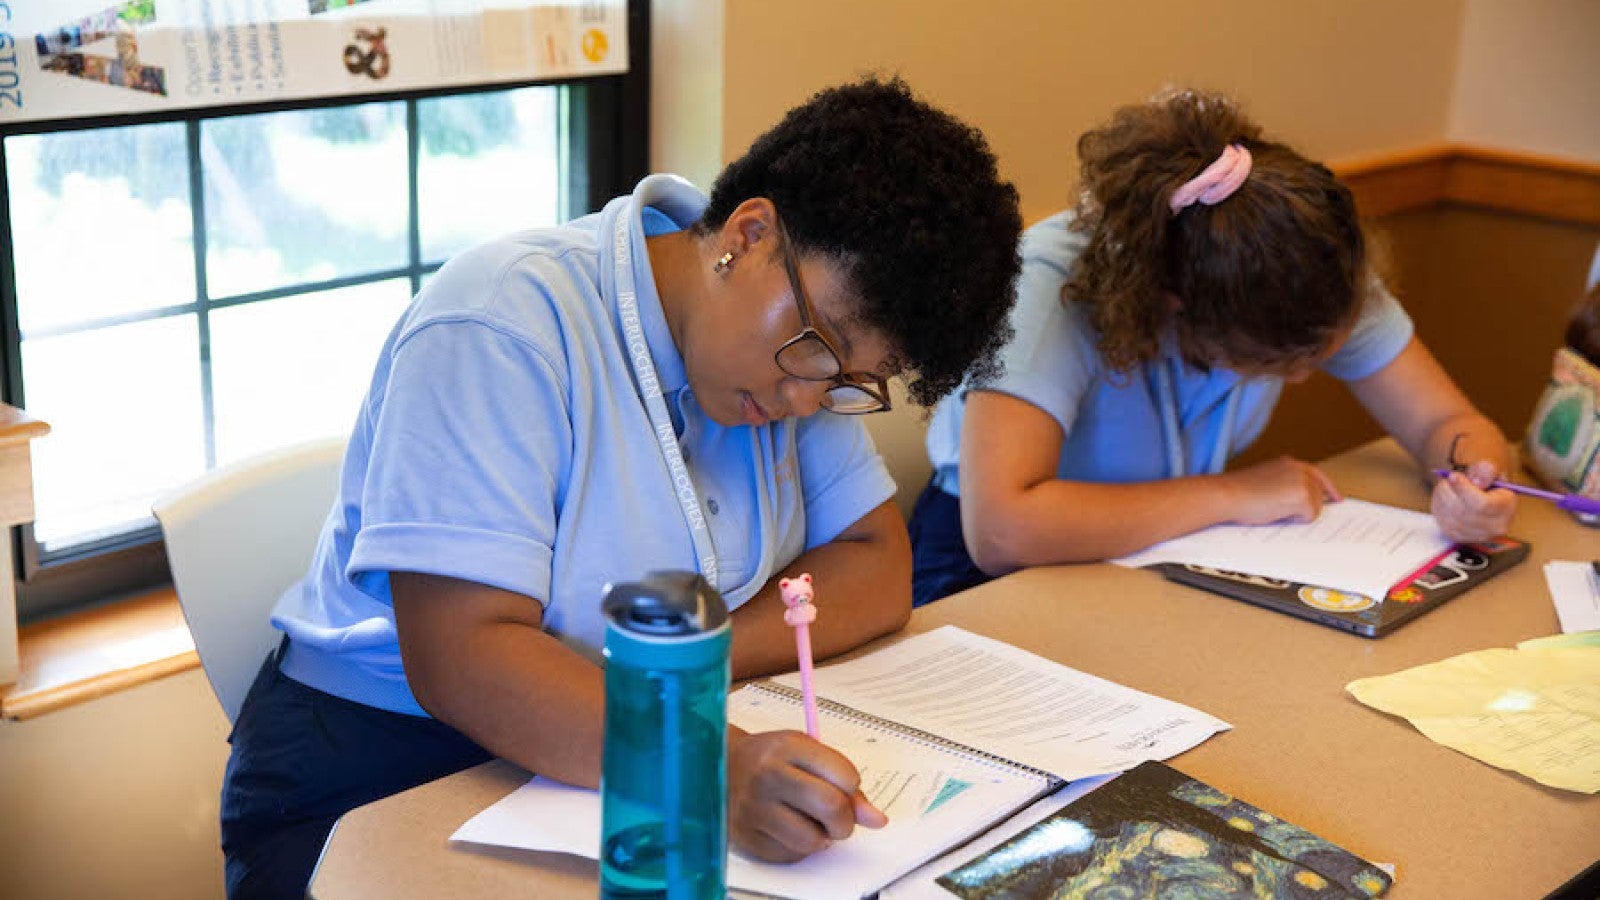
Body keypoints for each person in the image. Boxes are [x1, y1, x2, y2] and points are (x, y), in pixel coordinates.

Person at [221, 77, 1023, 898]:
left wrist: (671, 678)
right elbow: (463, 655)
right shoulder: (502, 322)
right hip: (384, 769)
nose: (808, 401)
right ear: (749, 234)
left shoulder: (780, 366)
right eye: (818, 350)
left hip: (615, 739)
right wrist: (706, 766)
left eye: (852, 381)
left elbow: (875, 563)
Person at [910, 89, 1515, 608]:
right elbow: (1003, 532)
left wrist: (1476, 486)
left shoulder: (1311, 269)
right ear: (1176, 308)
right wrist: (1232, 494)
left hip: (1155, 550)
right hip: (980, 573)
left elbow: (1445, 420)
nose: (1305, 377)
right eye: (1277, 363)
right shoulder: (1047, 287)